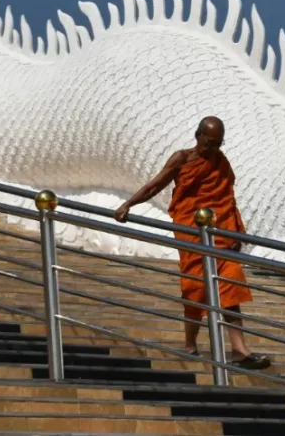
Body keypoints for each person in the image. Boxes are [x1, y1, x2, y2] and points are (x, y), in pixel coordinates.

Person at [115, 116, 270, 370]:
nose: (214, 149)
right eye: (210, 143)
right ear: (198, 136)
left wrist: (234, 230)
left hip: (220, 234)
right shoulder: (182, 159)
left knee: (229, 283)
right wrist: (128, 204)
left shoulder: (220, 161)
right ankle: (190, 344)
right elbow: (155, 186)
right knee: (195, 288)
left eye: (219, 144)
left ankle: (240, 350)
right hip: (191, 230)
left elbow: (227, 198)